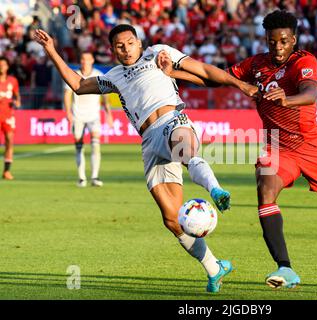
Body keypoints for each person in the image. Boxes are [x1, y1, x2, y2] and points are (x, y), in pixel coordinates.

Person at [159, 10, 317, 289]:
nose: (277, 47)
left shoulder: (304, 60)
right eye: (271, 41)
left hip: (313, 148)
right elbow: (215, 79)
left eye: (282, 41)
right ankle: (285, 268)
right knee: (265, 191)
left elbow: (310, 93)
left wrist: (286, 100)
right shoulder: (255, 65)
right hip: (278, 148)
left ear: (293, 39)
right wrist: (175, 73)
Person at [34, 25, 258, 293]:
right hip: (149, 142)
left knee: (185, 150)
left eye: (130, 42)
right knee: (172, 219)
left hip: (173, 119)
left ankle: (215, 189)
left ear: (139, 43)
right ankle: (214, 267)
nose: (126, 48)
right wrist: (51, 50)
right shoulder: (114, 76)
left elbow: (205, 71)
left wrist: (239, 83)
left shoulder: (158, 53)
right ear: (113, 50)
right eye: (119, 45)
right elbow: (79, 85)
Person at [63, 51, 113, 187]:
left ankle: (95, 177)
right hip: (78, 115)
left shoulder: (98, 74)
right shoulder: (74, 75)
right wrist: (68, 112)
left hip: (94, 115)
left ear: (92, 60)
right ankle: (81, 178)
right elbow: (67, 94)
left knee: (95, 145)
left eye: (87, 59)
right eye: (83, 59)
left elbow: (105, 95)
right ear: (80, 61)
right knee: (79, 147)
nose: (85, 62)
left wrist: (109, 113)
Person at [0, 56, 21, 180]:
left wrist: (17, 102)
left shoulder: (12, 81)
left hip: (8, 116)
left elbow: (17, 96)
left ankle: (6, 171)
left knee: (9, 141)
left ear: (7, 67)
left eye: (4, 64)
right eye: (0, 64)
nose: (2, 67)